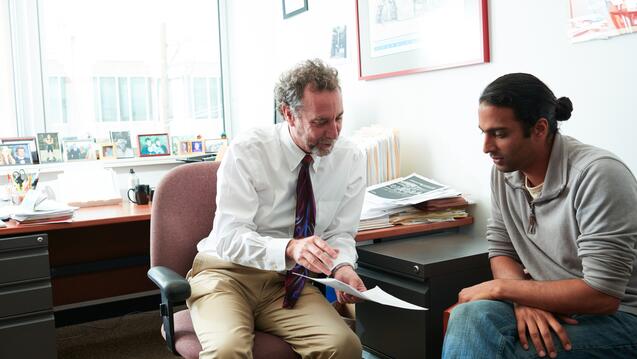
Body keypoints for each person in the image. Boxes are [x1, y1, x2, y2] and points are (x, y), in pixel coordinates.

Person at [442, 73, 637, 358]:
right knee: (469, 316)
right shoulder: (504, 174)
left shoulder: (598, 175)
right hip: (547, 302)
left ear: (540, 129)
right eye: (483, 132)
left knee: (510, 351)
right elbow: (502, 249)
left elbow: (603, 294)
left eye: (499, 133)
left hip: (620, 316)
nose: (486, 147)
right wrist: (522, 298)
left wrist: (503, 289)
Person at [187, 59, 366, 358]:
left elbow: (340, 233)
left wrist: (343, 266)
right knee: (228, 350)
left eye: (339, 118)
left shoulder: (349, 157)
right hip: (226, 275)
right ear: (288, 114)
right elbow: (230, 238)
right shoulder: (248, 151)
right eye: (321, 122)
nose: (334, 132)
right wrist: (290, 248)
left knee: (344, 346)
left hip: (286, 282)